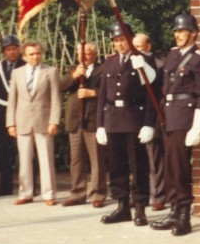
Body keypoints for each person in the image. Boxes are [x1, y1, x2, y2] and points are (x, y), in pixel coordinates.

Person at [150, 14, 200, 236]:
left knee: (180, 167)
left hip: (184, 117)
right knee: (169, 167)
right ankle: (174, 211)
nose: (177, 35)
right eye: (176, 31)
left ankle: (184, 217)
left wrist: (197, 127)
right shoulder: (172, 55)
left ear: (194, 33)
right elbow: (162, 86)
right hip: (167, 116)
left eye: (182, 31)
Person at [96, 22, 159, 226]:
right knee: (116, 166)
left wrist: (149, 123)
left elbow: (152, 95)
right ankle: (122, 206)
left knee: (138, 166)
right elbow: (103, 96)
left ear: (130, 39)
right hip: (113, 118)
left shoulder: (142, 60)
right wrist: (100, 125)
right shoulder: (109, 62)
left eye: (122, 39)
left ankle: (140, 207)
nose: (120, 44)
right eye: (116, 41)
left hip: (134, 119)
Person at [6, 40, 62, 206]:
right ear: (24, 56)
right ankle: (26, 193)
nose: (35, 57)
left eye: (37, 53)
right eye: (31, 54)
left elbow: (56, 99)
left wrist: (54, 121)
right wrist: (11, 123)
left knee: (46, 158)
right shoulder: (17, 73)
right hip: (22, 121)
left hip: (43, 121)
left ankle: (49, 194)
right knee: (24, 159)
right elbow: (12, 100)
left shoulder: (50, 71)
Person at [60, 41, 107, 208]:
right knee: (76, 160)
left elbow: (108, 91)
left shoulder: (103, 69)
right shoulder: (73, 68)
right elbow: (60, 86)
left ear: (94, 54)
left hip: (93, 119)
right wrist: (74, 76)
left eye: (87, 53)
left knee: (97, 160)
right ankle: (77, 193)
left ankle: (97, 194)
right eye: (80, 53)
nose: (83, 56)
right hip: (75, 120)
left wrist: (92, 92)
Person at [0, 35, 25, 197]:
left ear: (19, 49)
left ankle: (28, 185)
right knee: (2, 151)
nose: (11, 52)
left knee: (25, 150)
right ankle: (4, 186)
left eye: (14, 48)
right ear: (4, 51)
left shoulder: (25, 65)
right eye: (8, 49)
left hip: (21, 111)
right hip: (2, 112)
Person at [133, 33, 166, 212]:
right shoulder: (131, 64)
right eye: (134, 47)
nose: (136, 51)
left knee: (154, 157)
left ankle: (158, 195)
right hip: (134, 117)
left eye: (139, 47)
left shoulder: (158, 64)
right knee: (139, 159)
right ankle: (140, 195)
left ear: (148, 46)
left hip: (152, 115)